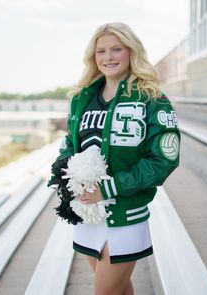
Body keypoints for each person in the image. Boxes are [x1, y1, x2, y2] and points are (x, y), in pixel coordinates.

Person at [49, 22, 180, 295]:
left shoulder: (152, 100)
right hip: (88, 213)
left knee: (106, 291)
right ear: (93, 57)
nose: (108, 57)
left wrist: (109, 188)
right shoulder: (81, 98)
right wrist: (67, 180)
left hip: (124, 215)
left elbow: (164, 159)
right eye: (101, 51)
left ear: (131, 51)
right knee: (119, 290)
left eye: (116, 49)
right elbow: (71, 144)